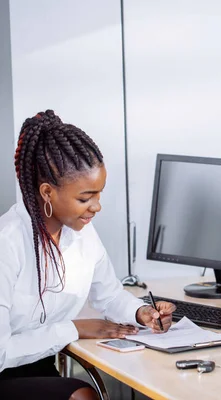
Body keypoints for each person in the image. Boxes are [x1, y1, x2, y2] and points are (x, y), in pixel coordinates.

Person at [0, 110, 176, 400]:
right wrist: (72, 329)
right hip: (5, 371)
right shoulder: (8, 243)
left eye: (99, 194)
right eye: (85, 198)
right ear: (47, 192)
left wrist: (140, 313)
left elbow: (108, 295)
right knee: (82, 396)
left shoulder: (81, 232)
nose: (96, 207)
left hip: (38, 369)